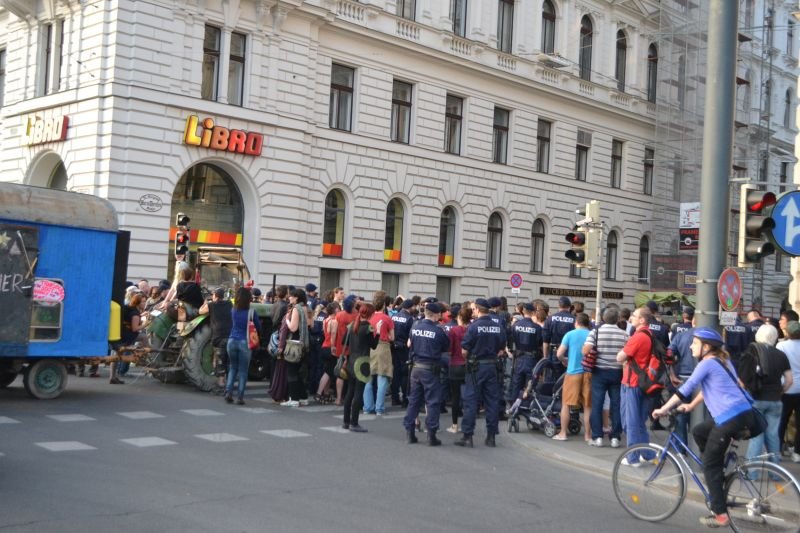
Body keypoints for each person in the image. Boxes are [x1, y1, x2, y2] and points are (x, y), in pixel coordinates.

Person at [652, 328, 764, 529]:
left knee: (710, 465)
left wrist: (663, 409)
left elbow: (685, 389)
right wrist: (691, 406)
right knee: (699, 431)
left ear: (706, 347)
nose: (690, 346)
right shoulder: (722, 361)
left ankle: (720, 514)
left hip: (731, 417)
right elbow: (708, 389)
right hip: (741, 413)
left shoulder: (707, 363)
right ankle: (717, 473)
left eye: (695, 343)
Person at [456, 298, 507, 448]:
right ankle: (491, 437)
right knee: (492, 402)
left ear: (477, 310)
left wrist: (470, 358)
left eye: (473, 309)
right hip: (492, 367)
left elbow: (464, 350)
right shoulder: (498, 326)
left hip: (475, 367)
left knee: (471, 401)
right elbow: (502, 348)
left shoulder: (474, 326)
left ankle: (467, 436)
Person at [739, 324, 793, 463]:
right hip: (775, 400)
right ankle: (775, 470)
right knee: (773, 435)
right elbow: (789, 380)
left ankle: (753, 471)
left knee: (757, 436)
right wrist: (780, 391)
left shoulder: (751, 353)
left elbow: (742, 382)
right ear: (775, 337)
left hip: (757, 398)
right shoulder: (781, 355)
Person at [404, 302, 451, 445]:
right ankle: (431, 435)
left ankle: (410, 433)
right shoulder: (438, 331)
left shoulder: (415, 327)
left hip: (416, 368)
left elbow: (410, 344)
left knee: (414, 401)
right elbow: (445, 347)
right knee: (432, 402)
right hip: (430, 369)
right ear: (436, 315)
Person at [584, 307, 628, 447]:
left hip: (599, 372)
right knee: (616, 405)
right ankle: (615, 437)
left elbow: (585, 350)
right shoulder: (624, 334)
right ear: (617, 319)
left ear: (603, 318)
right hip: (617, 372)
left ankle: (597, 437)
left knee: (597, 404)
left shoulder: (595, 332)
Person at [616, 306, 654, 461]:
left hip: (632, 382)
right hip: (643, 382)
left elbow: (620, 357)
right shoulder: (650, 334)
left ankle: (633, 457)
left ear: (642, 320)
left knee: (630, 422)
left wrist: (622, 355)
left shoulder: (638, 337)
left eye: (635, 315)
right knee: (639, 422)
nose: (631, 317)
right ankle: (648, 454)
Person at [554, 313, 591, 441]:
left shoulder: (569, 334)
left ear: (576, 323)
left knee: (566, 404)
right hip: (589, 373)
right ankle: (588, 435)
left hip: (573, 372)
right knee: (587, 406)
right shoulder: (592, 334)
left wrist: (565, 360)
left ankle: (563, 433)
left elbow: (559, 354)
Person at [343, 303, 379, 432]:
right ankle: (354, 423)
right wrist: (377, 333)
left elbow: (344, 342)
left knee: (349, 392)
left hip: (351, 361)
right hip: (362, 362)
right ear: (370, 314)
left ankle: (346, 421)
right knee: (358, 393)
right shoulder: (368, 328)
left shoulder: (352, 325)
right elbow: (374, 345)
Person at [226, 287, 260, 405]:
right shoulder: (252, 312)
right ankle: (240, 397)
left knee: (232, 368)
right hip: (245, 342)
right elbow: (258, 327)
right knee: (243, 371)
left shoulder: (233, 310)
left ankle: (228, 392)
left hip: (231, 341)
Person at [666, 316, 697, 447]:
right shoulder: (709, 336)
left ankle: (681, 449)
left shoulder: (681, 336)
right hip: (703, 381)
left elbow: (668, 354)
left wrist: (672, 374)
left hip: (683, 377)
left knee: (680, 414)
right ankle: (698, 447)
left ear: (693, 321)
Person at [364, 291, 394, 415]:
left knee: (368, 379)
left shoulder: (369, 318)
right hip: (383, 347)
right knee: (382, 379)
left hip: (370, 348)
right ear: (384, 305)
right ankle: (379, 408)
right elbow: (392, 337)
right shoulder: (387, 318)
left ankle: (367, 407)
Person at [279, 288, 310, 402]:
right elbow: (310, 324)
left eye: (291, 296)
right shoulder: (306, 308)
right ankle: (303, 397)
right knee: (298, 372)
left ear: (296, 297)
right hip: (303, 342)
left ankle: (294, 399)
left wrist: (287, 319)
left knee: (291, 372)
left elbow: (293, 327)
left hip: (294, 343)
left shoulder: (296, 309)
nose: (289, 297)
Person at [509, 303, 543, 403]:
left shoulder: (515, 325)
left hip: (518, 358)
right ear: (533, 313)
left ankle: (514, 406)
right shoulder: (537, 328)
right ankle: (527, 405)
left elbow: (511, 340)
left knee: (516, 383)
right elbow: (540, 343)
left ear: (523, 311)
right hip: (531, 359)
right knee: (530, 384)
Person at [200, 287, 233, 389]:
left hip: (218, 335)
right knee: (228, 359)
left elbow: (200, 311)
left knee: (220, 359)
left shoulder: (211, 305)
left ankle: (221, 382)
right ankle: (229, 382)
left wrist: (205, 303)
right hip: (229, 334)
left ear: (215, 296)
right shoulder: (229, 304)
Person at [777, 320, 800, 462]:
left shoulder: (782, 346)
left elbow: (778, 366)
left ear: (788, 332)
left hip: (786, 387)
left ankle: (778, 450)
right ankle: (797, 452)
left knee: (782, 420)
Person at [446, 306, 472, 433]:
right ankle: (467, 425)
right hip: (469, 366)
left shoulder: (454, 330)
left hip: (455, 365)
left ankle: (454, 425)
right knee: (468, 397)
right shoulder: (472, 330)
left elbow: (449, 350)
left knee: (455, 397)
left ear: (460, 317)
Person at [391, 299, 416, 406]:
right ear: (410, 307)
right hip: (404, 348)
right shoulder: (410, 319)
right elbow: (411, 336)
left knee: (395, 373)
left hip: (394, 347)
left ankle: (394, 398)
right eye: (414, 306)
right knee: (405, 374)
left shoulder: (394, 316)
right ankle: (405, 399)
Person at [315, 302, 340, 403]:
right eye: (338, 308)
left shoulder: (325, 320)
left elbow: (325, 333)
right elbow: (333, 334)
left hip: (324, 346)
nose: (339, 310)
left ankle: (326, 394)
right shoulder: (334, 321)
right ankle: (319, 393)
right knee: (328, 372)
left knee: (328, 371)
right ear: (335, 310)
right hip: (330, 347)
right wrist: (333, 347)